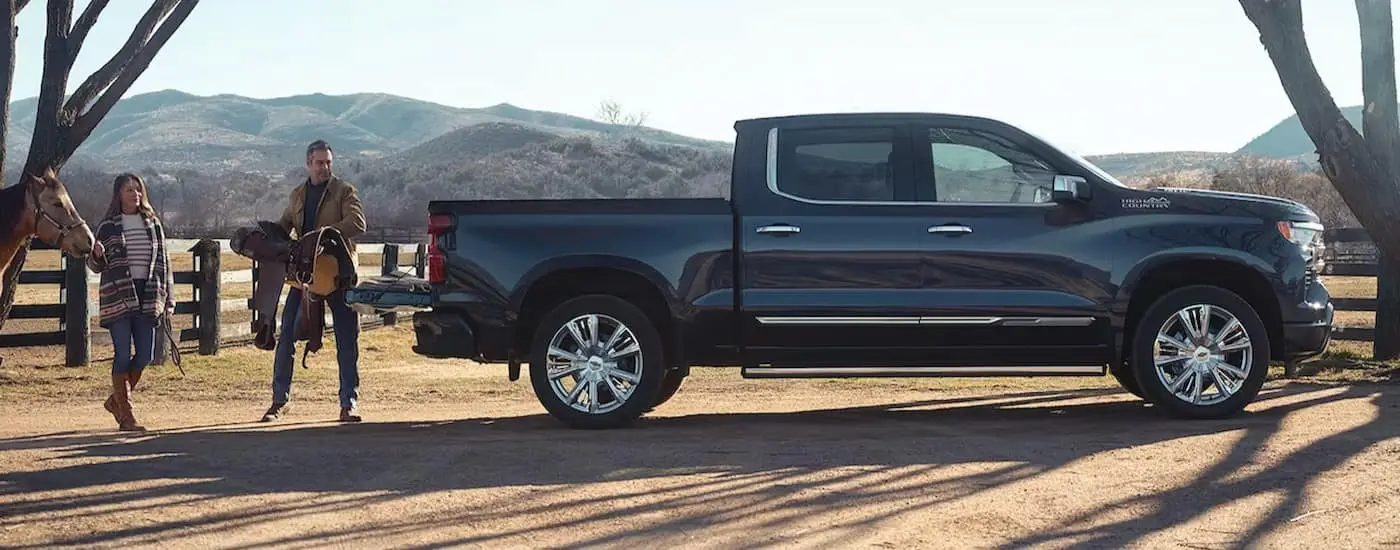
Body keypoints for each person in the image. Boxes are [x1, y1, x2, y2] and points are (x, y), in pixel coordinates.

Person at [261, 139, 367, 423]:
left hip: (337, 274)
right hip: (305, 276)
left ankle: (349, 402)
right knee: (286, 339)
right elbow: (285, 226)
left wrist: (324, 234)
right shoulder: (297, 195)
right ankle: (279, 401)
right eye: (319, 163)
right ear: (308, 163)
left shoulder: (344, 191)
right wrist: (267, 237)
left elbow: (358, 223)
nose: (325, 168)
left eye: (329, 162)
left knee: (347, 340)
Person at [86, 173, 177, 432]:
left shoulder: (153, 224)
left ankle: (116, 401)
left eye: (138, 190)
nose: (135, 194)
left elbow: (165, 262)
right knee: (123, 354)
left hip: (149, 294)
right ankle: (127, 417)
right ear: (119, 195)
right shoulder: (107, 227)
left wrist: (169, 297)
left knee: (145, 354)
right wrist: (97, 255)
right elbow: (94, 266)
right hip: (118, 295)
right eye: (129, 190)